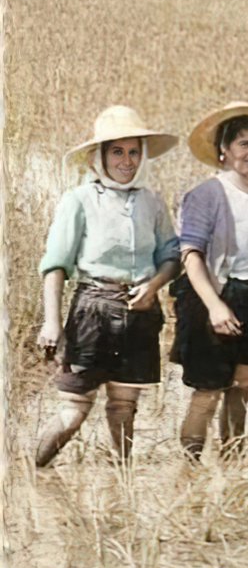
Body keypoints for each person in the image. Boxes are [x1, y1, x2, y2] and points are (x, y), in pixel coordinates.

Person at [34, 106, 180, 466]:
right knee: (74, 410)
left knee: (124, 408)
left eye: (133, 152)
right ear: (99, 157)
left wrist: (153, 286)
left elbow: (171, 256)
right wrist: (51, 322)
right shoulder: (79, 200)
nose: (126, 161)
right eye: (117, 152)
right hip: (93, 309)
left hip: (140, 311)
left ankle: (123, 482)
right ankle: (33, 474)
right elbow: (56, 264)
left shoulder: (151, 202)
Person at [172, 102, 248, 460]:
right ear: (224, 150)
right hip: (221, 296)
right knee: (209, 389)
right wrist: (215, 306)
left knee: (243, 385)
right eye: (244, 144)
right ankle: (190, 470)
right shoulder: (206, 194)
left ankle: (233, 463)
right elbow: (191, 254)